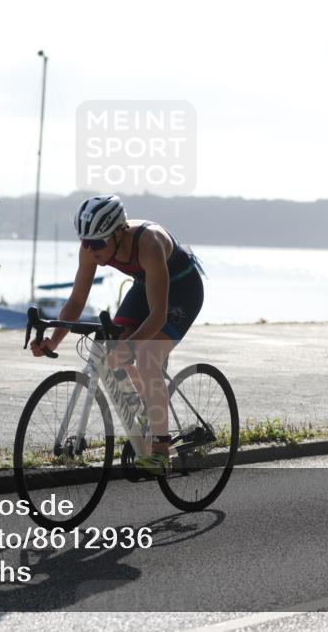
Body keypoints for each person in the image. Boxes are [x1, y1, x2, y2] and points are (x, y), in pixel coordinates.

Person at [30, 194, 205, 477]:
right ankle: (150, 402)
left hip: (182, 291)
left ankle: (161, 453)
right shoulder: (90, 247)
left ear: (118, 233)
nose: (91, 249)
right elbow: (76, 302)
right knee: (113, 352)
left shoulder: (149, 243)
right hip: (146, 284)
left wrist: (132, 346)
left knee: (146, 355)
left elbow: (158, 314)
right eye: (85, 243)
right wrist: (53, 340)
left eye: (97, 243)